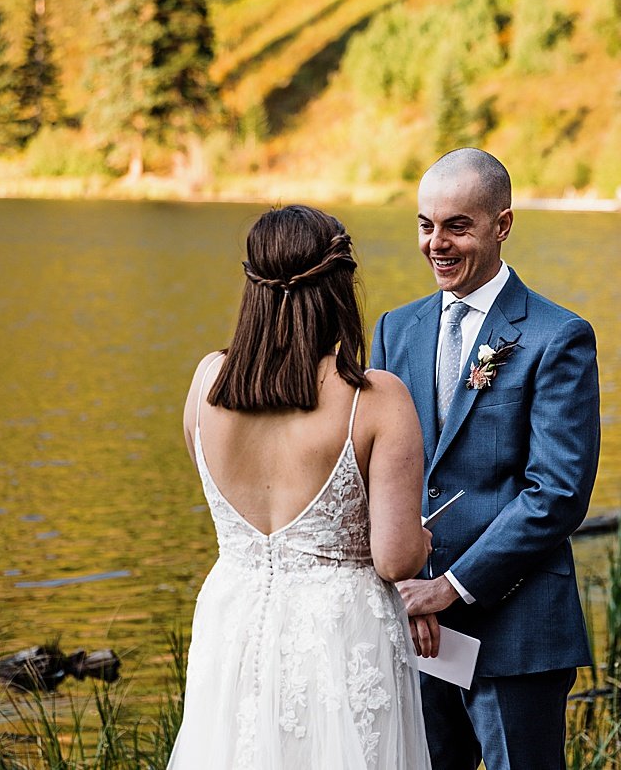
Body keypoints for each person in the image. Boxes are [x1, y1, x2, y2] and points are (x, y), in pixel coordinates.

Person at [167, 204, 433, 769]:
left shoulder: (206, 381)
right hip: (339, 633)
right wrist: (425, 539)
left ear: (252, 287)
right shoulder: (374, 397)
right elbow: (397, 558)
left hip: (233, 618)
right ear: (341, 287)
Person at [370, 148, 600, 770]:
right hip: (414, 626)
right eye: (425, 225)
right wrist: (402, 586)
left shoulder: (558, 336)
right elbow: (376, 473)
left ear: (502, 224)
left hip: (516, 627)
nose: (435, 244)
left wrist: (451, 587)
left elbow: (557, 493)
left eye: (457, 226)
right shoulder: (395, 330)